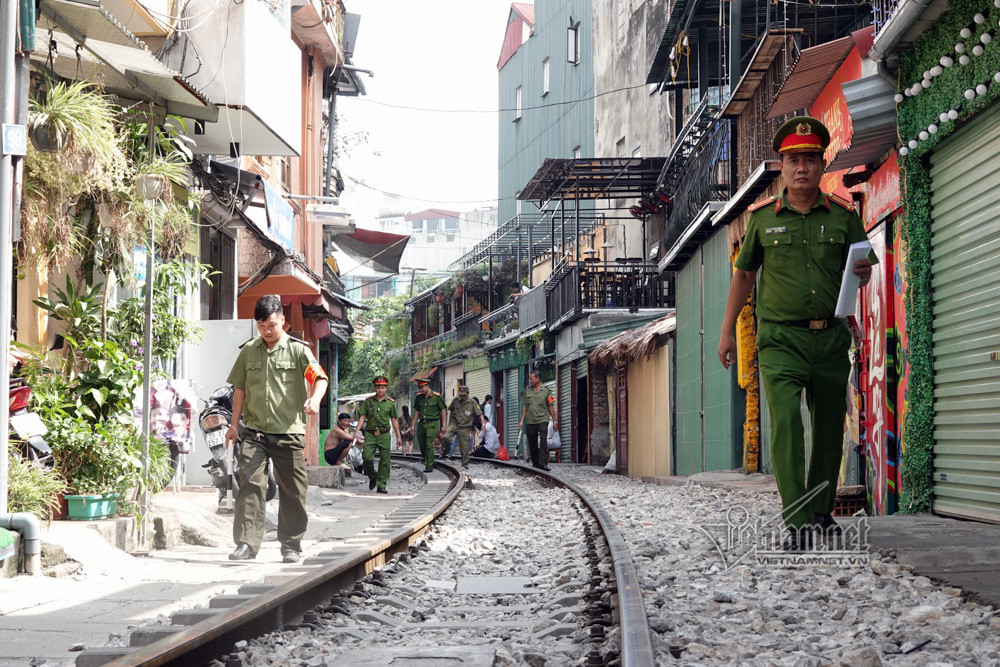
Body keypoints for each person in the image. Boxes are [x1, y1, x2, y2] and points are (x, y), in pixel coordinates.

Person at [717, 116, 874, 552]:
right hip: (780, 340)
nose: (801, 167)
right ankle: (797, 520)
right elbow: (744, 276)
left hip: (829, 340)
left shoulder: (844, 218)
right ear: (781, 168)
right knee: (786, 424)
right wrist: (727, 333)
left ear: (822, 165)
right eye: (792, 160)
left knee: (827, 428)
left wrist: (861, 272)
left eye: (809, 159)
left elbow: (863, 265)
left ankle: (821, 511)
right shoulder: (763, 220)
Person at [225, 294, 329, 563]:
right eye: (261, 326)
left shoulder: (298, 351)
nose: (267, 331)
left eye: (271, 325)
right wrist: (234, 426)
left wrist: (315, 399)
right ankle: (247, 543)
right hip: (255, 432)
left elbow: (320, 379)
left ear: (283, 320)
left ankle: (291, 545)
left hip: (289, 432)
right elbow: (240, 388)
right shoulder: (249, 351)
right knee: (250, 484)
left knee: (293, 490)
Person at [354, 376, 403, 494]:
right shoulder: (368, 402)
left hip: (384, 435)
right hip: (370, 435)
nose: (380, 390)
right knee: (366, 457)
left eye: (383, 387)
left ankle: (382, 484)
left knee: (385, 460)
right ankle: (373, 476)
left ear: (386, 389)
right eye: (378, 387)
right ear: (375, 388)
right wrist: (356, 432)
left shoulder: (390, 403)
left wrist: (399, 436)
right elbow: (362, 417)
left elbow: (394, 420)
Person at [519, 369, 557, 471]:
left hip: (543, 420)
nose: (530, 380)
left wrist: (555, 421)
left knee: (543, 441)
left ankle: (543, 463)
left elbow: (551, 406)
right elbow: (525, 407)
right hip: (530, 421)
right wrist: (522, 421)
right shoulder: (527, 391)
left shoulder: (547, 390)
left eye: (532, 378)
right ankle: (535, 463)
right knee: (532, 442)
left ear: (538, 378)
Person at [438, 385, 481, 469]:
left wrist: (483, 424)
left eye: (463, 395)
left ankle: (465, 465)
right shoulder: (456, 400)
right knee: (446, 437)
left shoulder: (472, 403)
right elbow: (450, 412)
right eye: (460, 395)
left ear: (468, 393)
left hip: (464, 427)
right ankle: (446, 451)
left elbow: (480, 414)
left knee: (464, 447)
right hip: (454, 424)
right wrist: (447, 424)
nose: (462, 397)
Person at [411, 379, 447, 473]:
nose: (420, 390)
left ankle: (429, 465)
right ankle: (430, 461)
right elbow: (417, 411)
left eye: (422, 388)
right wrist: (413, 425)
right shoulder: (419, 397)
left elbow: (443, 411)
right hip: (422, 423)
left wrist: (443, 425)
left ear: (427, 386)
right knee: (422, 445)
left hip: (432, 423)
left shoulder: (437, 397)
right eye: (419, 388)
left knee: (429, 444)